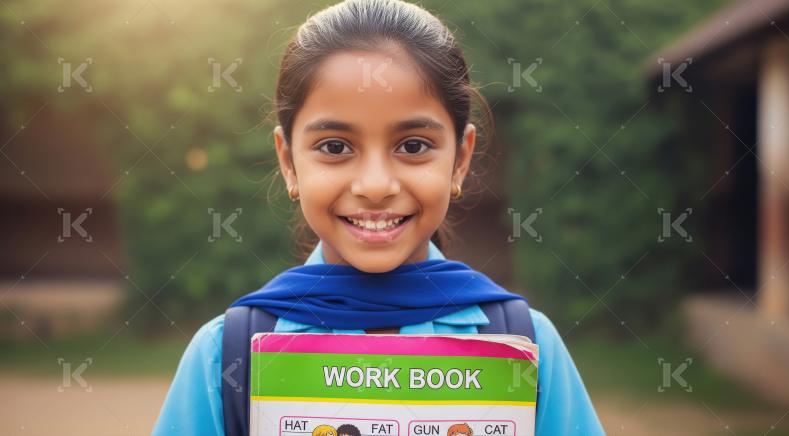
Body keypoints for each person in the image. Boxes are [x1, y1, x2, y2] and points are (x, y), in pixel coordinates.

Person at [153, 1, 605, 435]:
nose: (375, 184)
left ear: (460, 160)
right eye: (334, 147)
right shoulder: (225, 357)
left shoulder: (527, 347)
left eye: (412, 146)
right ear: (289, 162)